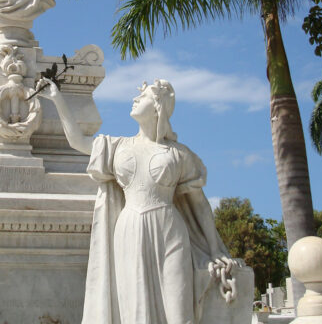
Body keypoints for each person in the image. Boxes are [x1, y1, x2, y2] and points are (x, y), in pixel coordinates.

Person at [37, 77, 239, 324]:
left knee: (179, 311)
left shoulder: (179, 154)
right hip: (130, 229)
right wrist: (57, 99)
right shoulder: (118, 147)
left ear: (158, 106)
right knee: (134, 311)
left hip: (170, 231)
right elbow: (77, 141)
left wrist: (215, 247)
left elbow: (199, 204)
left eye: (142, 96)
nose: (134, 99)